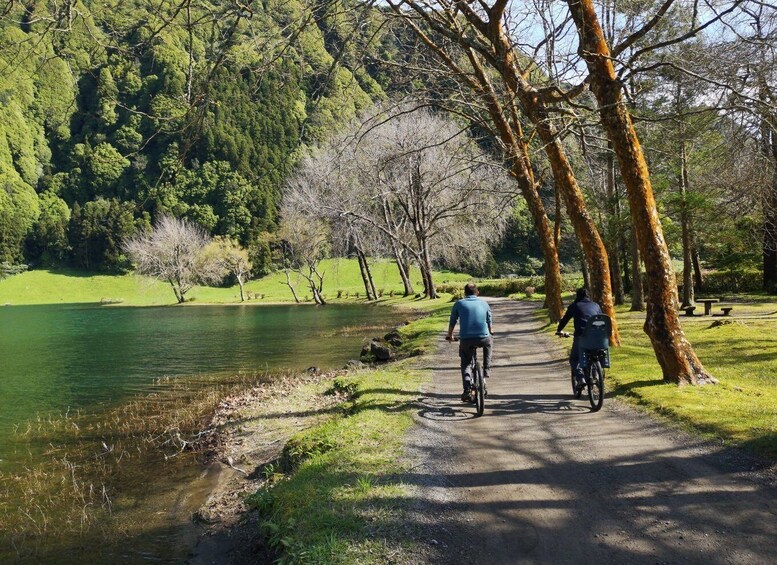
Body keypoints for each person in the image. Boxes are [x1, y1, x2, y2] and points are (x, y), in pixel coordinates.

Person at [446, 283, 493, 401]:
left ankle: (467, 390)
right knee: (488, 343)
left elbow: (452, 321)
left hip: (466, 339)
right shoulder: (484, 303)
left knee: (466, 363)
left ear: (465, 293)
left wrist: (450, 336)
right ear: (477, 292)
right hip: (483, 337)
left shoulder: (459, 303)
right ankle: (486, 369)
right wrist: (491, 330)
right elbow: (489, 319)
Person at [555, 287, 603, 389]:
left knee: (574, 359)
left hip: (581, 337)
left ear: (577, 296)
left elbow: (565, 320)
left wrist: (559, 330)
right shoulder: (596, 305)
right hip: (598, 337)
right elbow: (601, 318)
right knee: (595, 355)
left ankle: (581, 379)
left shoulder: (574, 306)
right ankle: (596, 376)